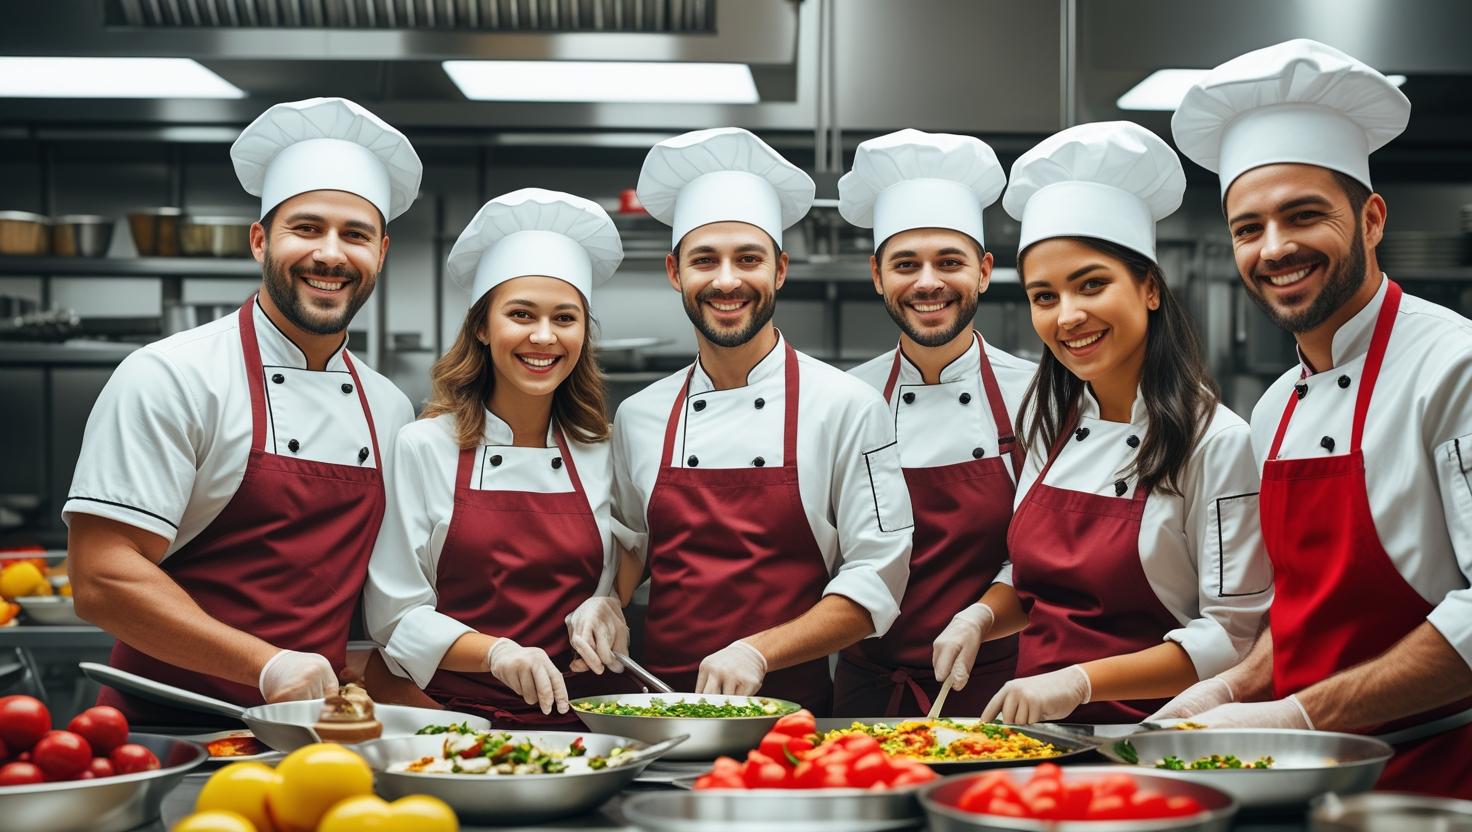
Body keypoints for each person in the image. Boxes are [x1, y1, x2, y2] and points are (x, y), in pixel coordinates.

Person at [1156, 39, 1472, 798]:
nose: (1275, 248)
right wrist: (1232, 691)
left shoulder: (1454, 367)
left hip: (1431, 785)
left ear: (1370, 218)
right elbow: (1304, 618)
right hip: (1303, 784)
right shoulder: (1272, 408)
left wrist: (1298, 717)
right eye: (1247, 227)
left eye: (1304, 216)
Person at [65, 97, 421, 723]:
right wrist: (266, 664)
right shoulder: (173, 376)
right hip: (170, 725)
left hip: (316, 731)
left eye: (355, 235)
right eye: (306, 228)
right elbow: (103, 577)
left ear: (381, 253)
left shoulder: (388, 407)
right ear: (260, 240)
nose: (332, 255)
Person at [610, 127, 913, 712]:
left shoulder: (847, 406)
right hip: (658, 706)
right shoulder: (638, 415)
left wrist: (758, 652)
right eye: (705, 260)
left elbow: (877, 576)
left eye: (748, 259)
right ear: (675, 272)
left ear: (779, 271)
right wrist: (604, 600)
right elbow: (632, 543)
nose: (727, 280)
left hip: (794, 718)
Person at [979, 121, 1272, 724]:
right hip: (1032, 738)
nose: (1068, 315)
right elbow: (1031, 579)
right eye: (1044, 296)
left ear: (1149, 288)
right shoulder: (1047, 424)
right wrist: (981, 615)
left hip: (1150, 742)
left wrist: (1081, 682)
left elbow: (1231, 637)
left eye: (1092, 285)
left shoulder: (1216, 441)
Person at [362, 188, 639, 726]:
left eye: (565, 318)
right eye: (520, 314)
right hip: (456, 721)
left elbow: (634, 549)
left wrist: (608, 604)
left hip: (589, 717)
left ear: (583, 333)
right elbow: (396, 616)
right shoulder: (423, 447)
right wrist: (498, 652)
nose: (543, 336)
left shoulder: (603, 449)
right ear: (483, 328)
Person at [834, 129, 1034, 717]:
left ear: (983, 271)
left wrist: (981, 615)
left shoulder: (1040, 395)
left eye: (949, 262)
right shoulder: (846, 400)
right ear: (877, 276)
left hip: (1002, 690)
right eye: (905, 264)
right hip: (865, 691)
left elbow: (1049, 552)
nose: (927, 282)